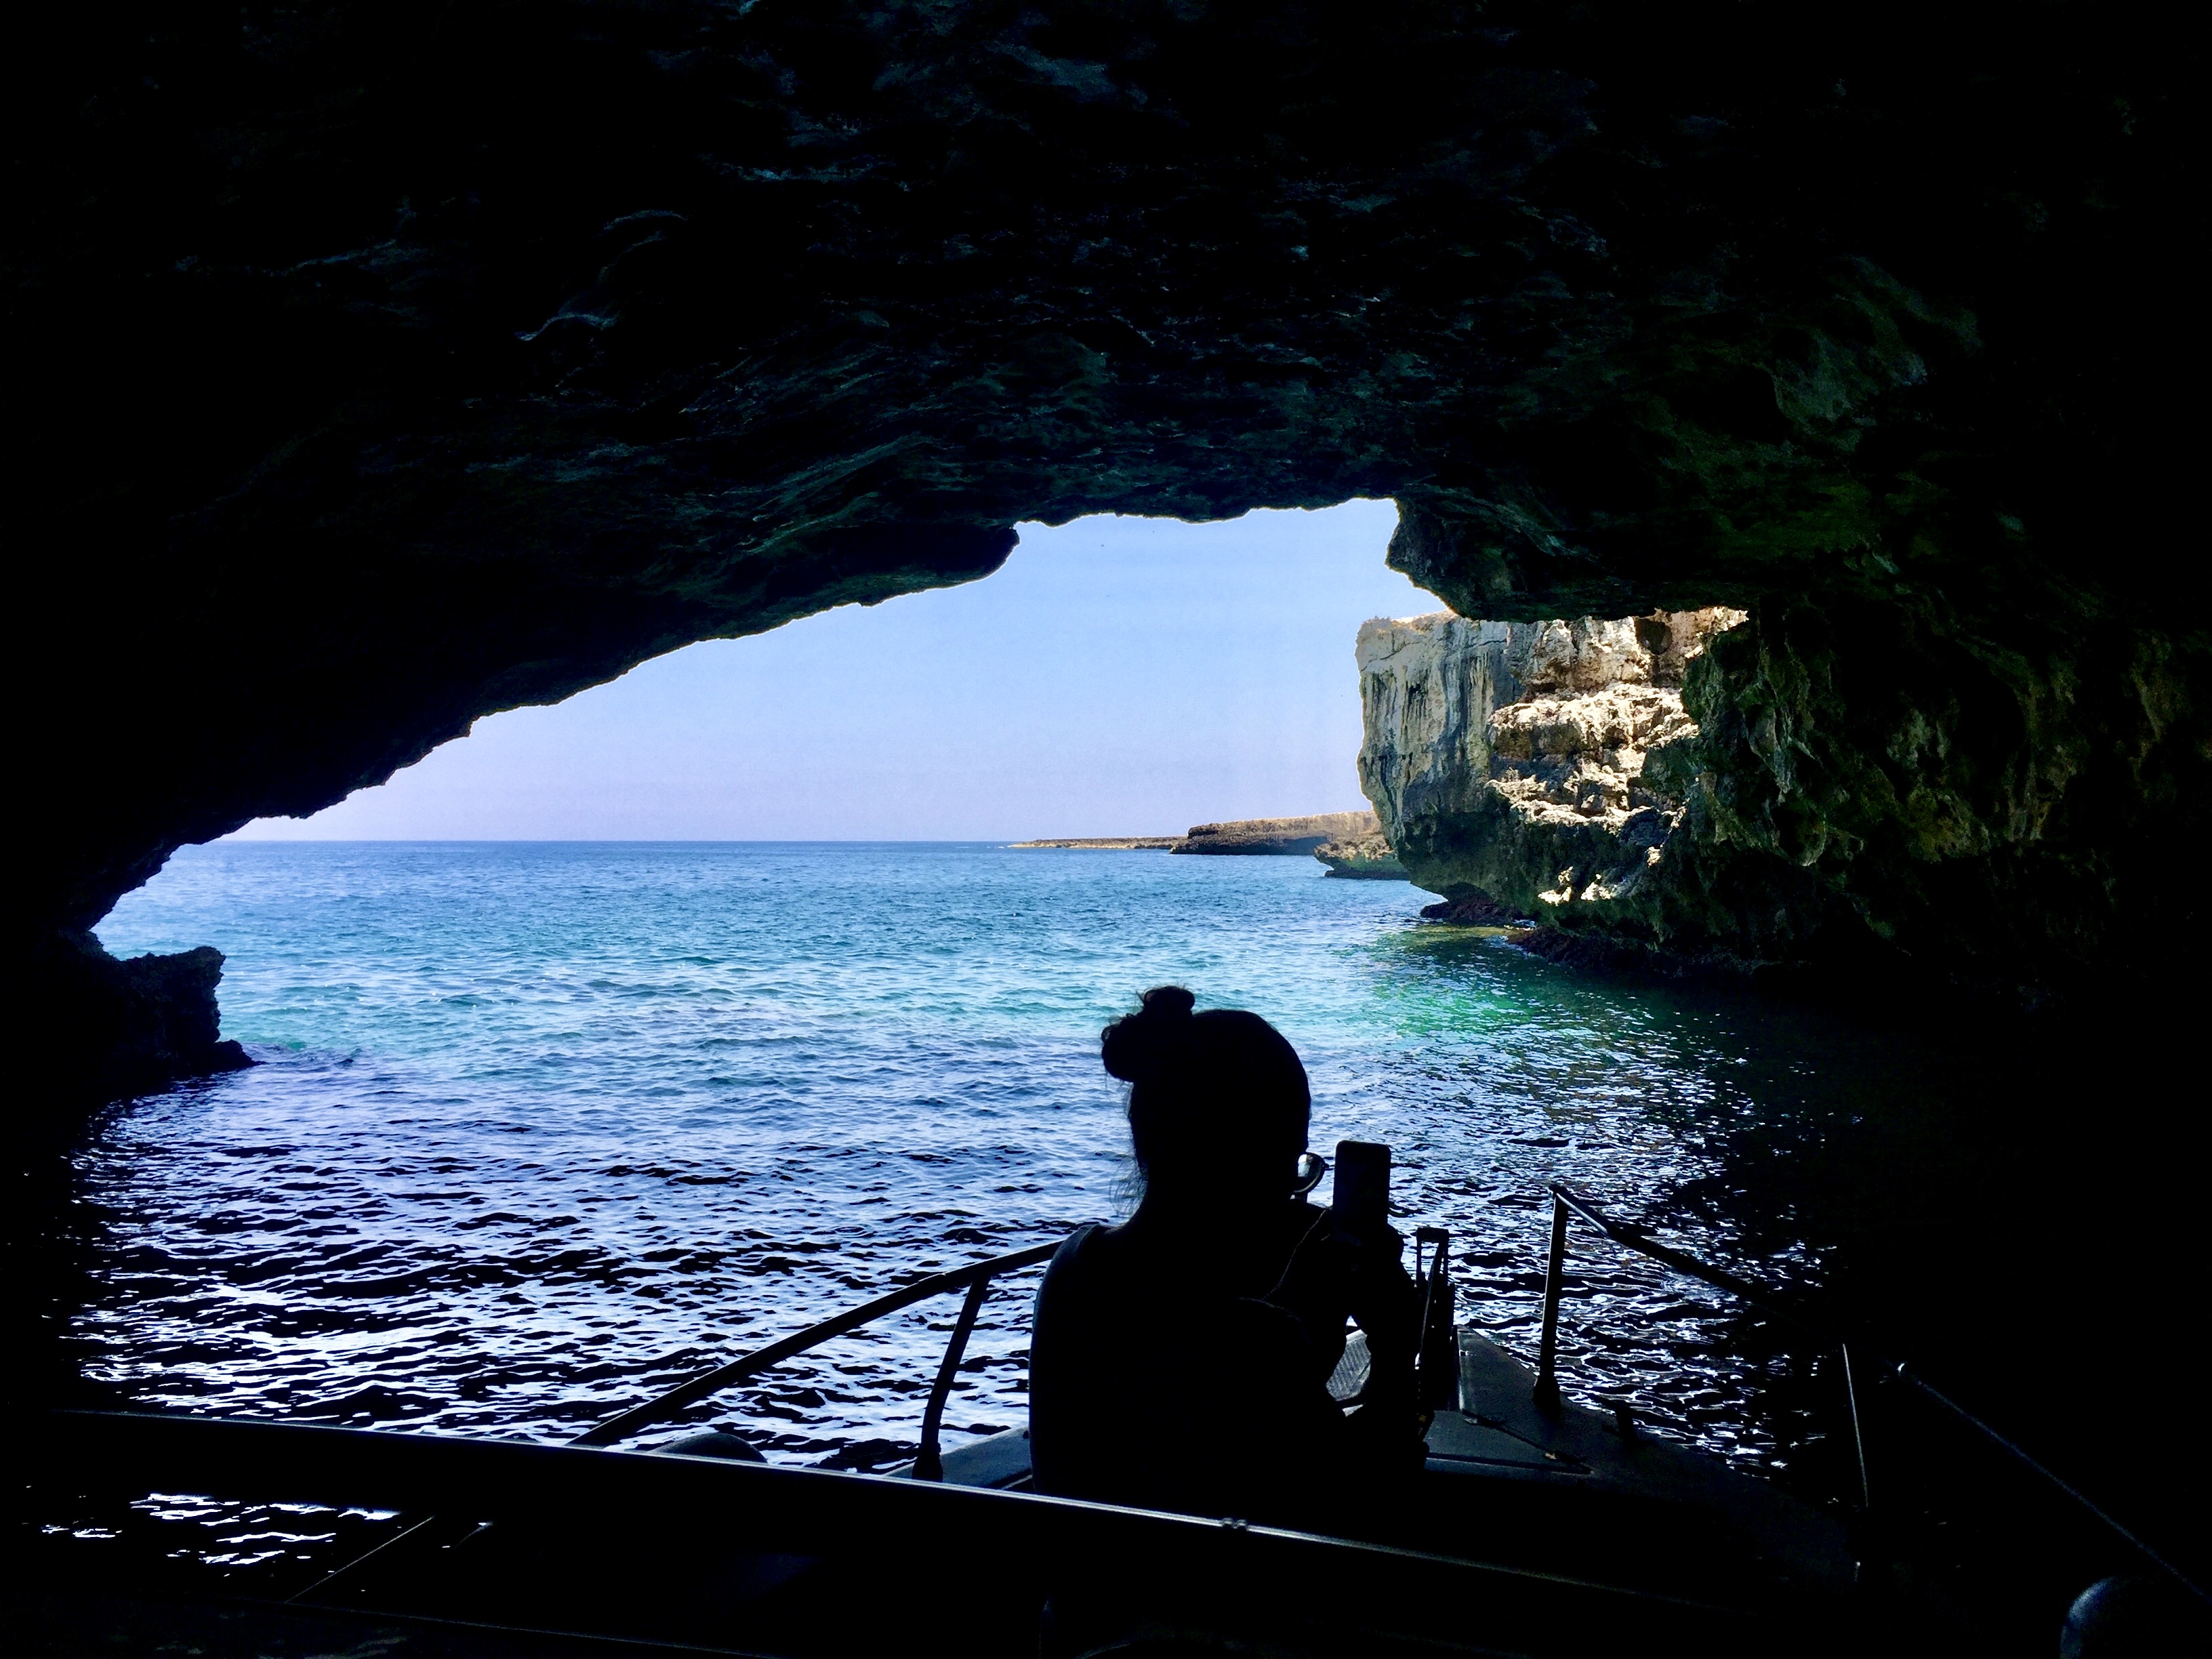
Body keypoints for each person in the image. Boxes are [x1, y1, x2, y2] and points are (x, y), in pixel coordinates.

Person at [1027, 985, 1422, 1532]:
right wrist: (1397, 1349)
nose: (1294, 1191)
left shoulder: (1074, 1268)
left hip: (1081, 1602)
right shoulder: (1262, 1343)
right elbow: (1366, 1492)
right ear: (1250, 1166)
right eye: (1292, 1165)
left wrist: (1292, 1311)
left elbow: (1182, 1353)